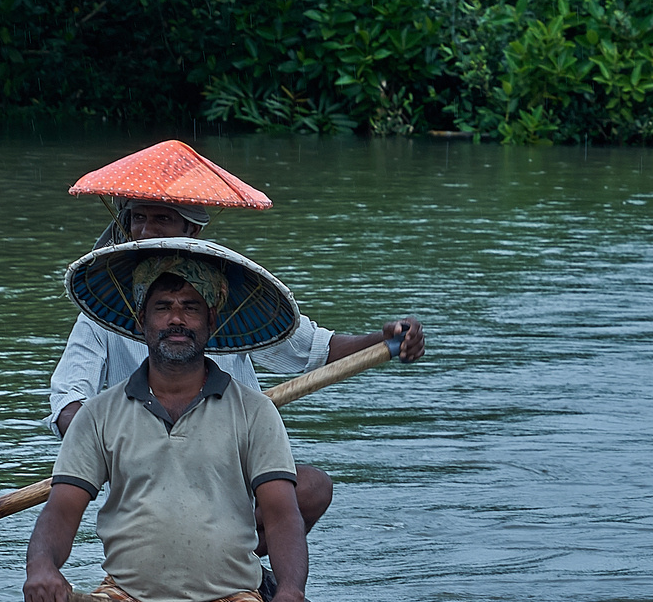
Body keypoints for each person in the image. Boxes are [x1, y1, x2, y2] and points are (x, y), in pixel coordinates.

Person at [48, 141, 425, 536]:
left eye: (160, 218)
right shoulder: (106, 311)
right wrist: (118, 446)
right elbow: (68, 401)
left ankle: (244, 565)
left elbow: (316, 350)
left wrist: (386, 341)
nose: (144, 231)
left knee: (313, 488)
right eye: (137, 218)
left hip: (231, 465)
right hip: (150, 478)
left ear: (191, 229)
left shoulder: (227, 294)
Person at [24, 237, 317, 602]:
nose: (176, 319)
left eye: (190, 308)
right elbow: (61, 509)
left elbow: (283, 515)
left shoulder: (255, 412)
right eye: (163, 307)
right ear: (142, 323)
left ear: (211, 322)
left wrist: (288, 599)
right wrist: (41, 565)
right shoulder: (98, 414)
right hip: (124, 600)